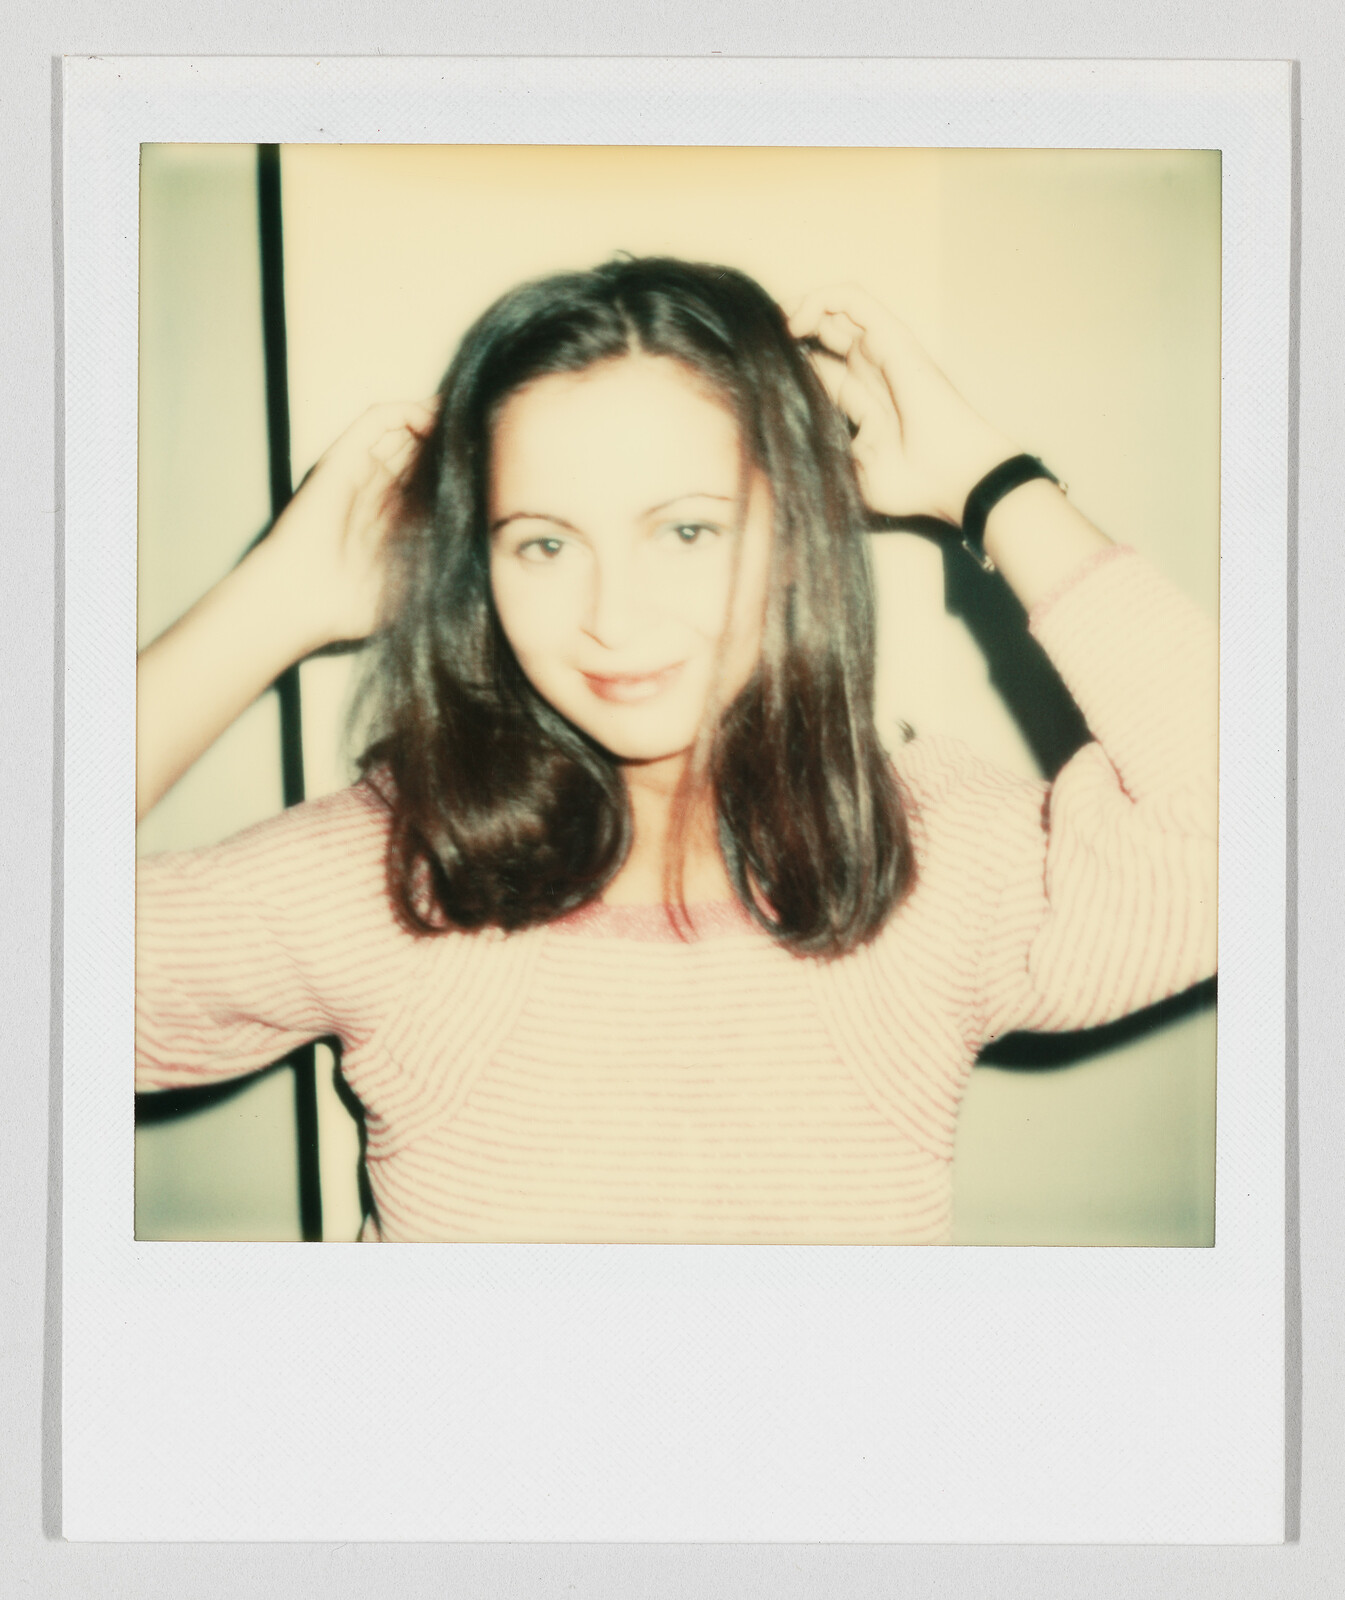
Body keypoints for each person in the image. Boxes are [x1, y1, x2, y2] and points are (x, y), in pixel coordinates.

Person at [135, 256, 1218, 1244]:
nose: (613, 615)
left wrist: (988, 483)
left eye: (686, 530)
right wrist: (271, 602)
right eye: (545, 543)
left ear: (794, 533)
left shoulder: (929, 864)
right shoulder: (392, 877)